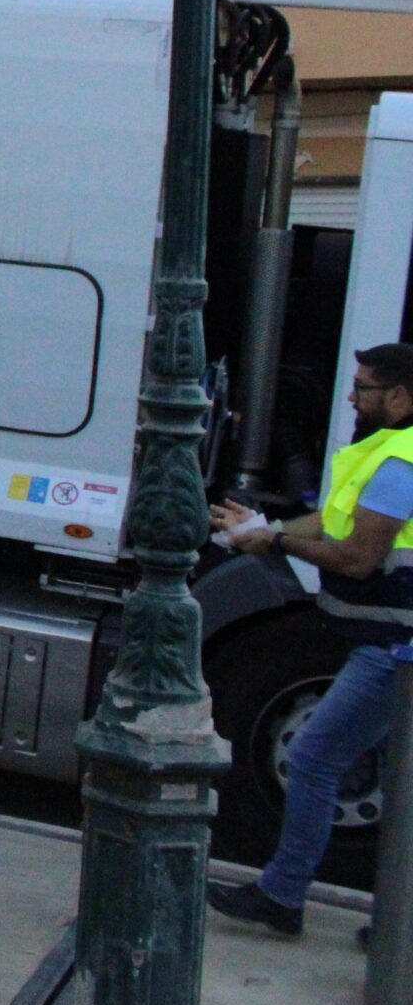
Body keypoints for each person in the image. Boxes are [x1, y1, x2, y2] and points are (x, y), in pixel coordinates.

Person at [207, 341, 413, 937]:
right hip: (389, 644)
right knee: (391, 773)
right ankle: (395, 925)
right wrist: (260, 528)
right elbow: (330, 520)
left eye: (364, 387)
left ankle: (283, 894)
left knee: (314, 756)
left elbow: (354, 556)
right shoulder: (385, 453)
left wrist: (272, 543)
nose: (352, 396)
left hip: (394, 648)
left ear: (398, 397)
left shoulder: (400, 463)